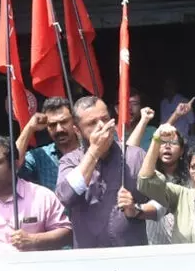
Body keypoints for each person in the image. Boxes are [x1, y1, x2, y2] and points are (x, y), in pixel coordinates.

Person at [55, 96, 156, 248]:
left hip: (131, 257)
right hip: (88, 258)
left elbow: (163, 204)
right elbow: (66, 196)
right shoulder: (70, 161)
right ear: (77, 130)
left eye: (105, 119)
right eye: (92, 123)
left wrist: (137, 210)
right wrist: (94, 152)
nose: (102, 126)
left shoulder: (135, 156)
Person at [129, 108, 189, 245]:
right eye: (162, 143)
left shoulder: (191, 178)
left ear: (182, 151)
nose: (167, 146)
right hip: (152, 245)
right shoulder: (148, 172)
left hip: (181, 244)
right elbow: (130, 153)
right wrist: (144, 120)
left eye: (173, 143)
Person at [16, 97, 81, 191]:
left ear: (74, 121)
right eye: (52, 125)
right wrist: (29, 128)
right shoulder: (40, 156)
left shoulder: (90, 148)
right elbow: (13, 164)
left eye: (64, 122)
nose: (59, 129)